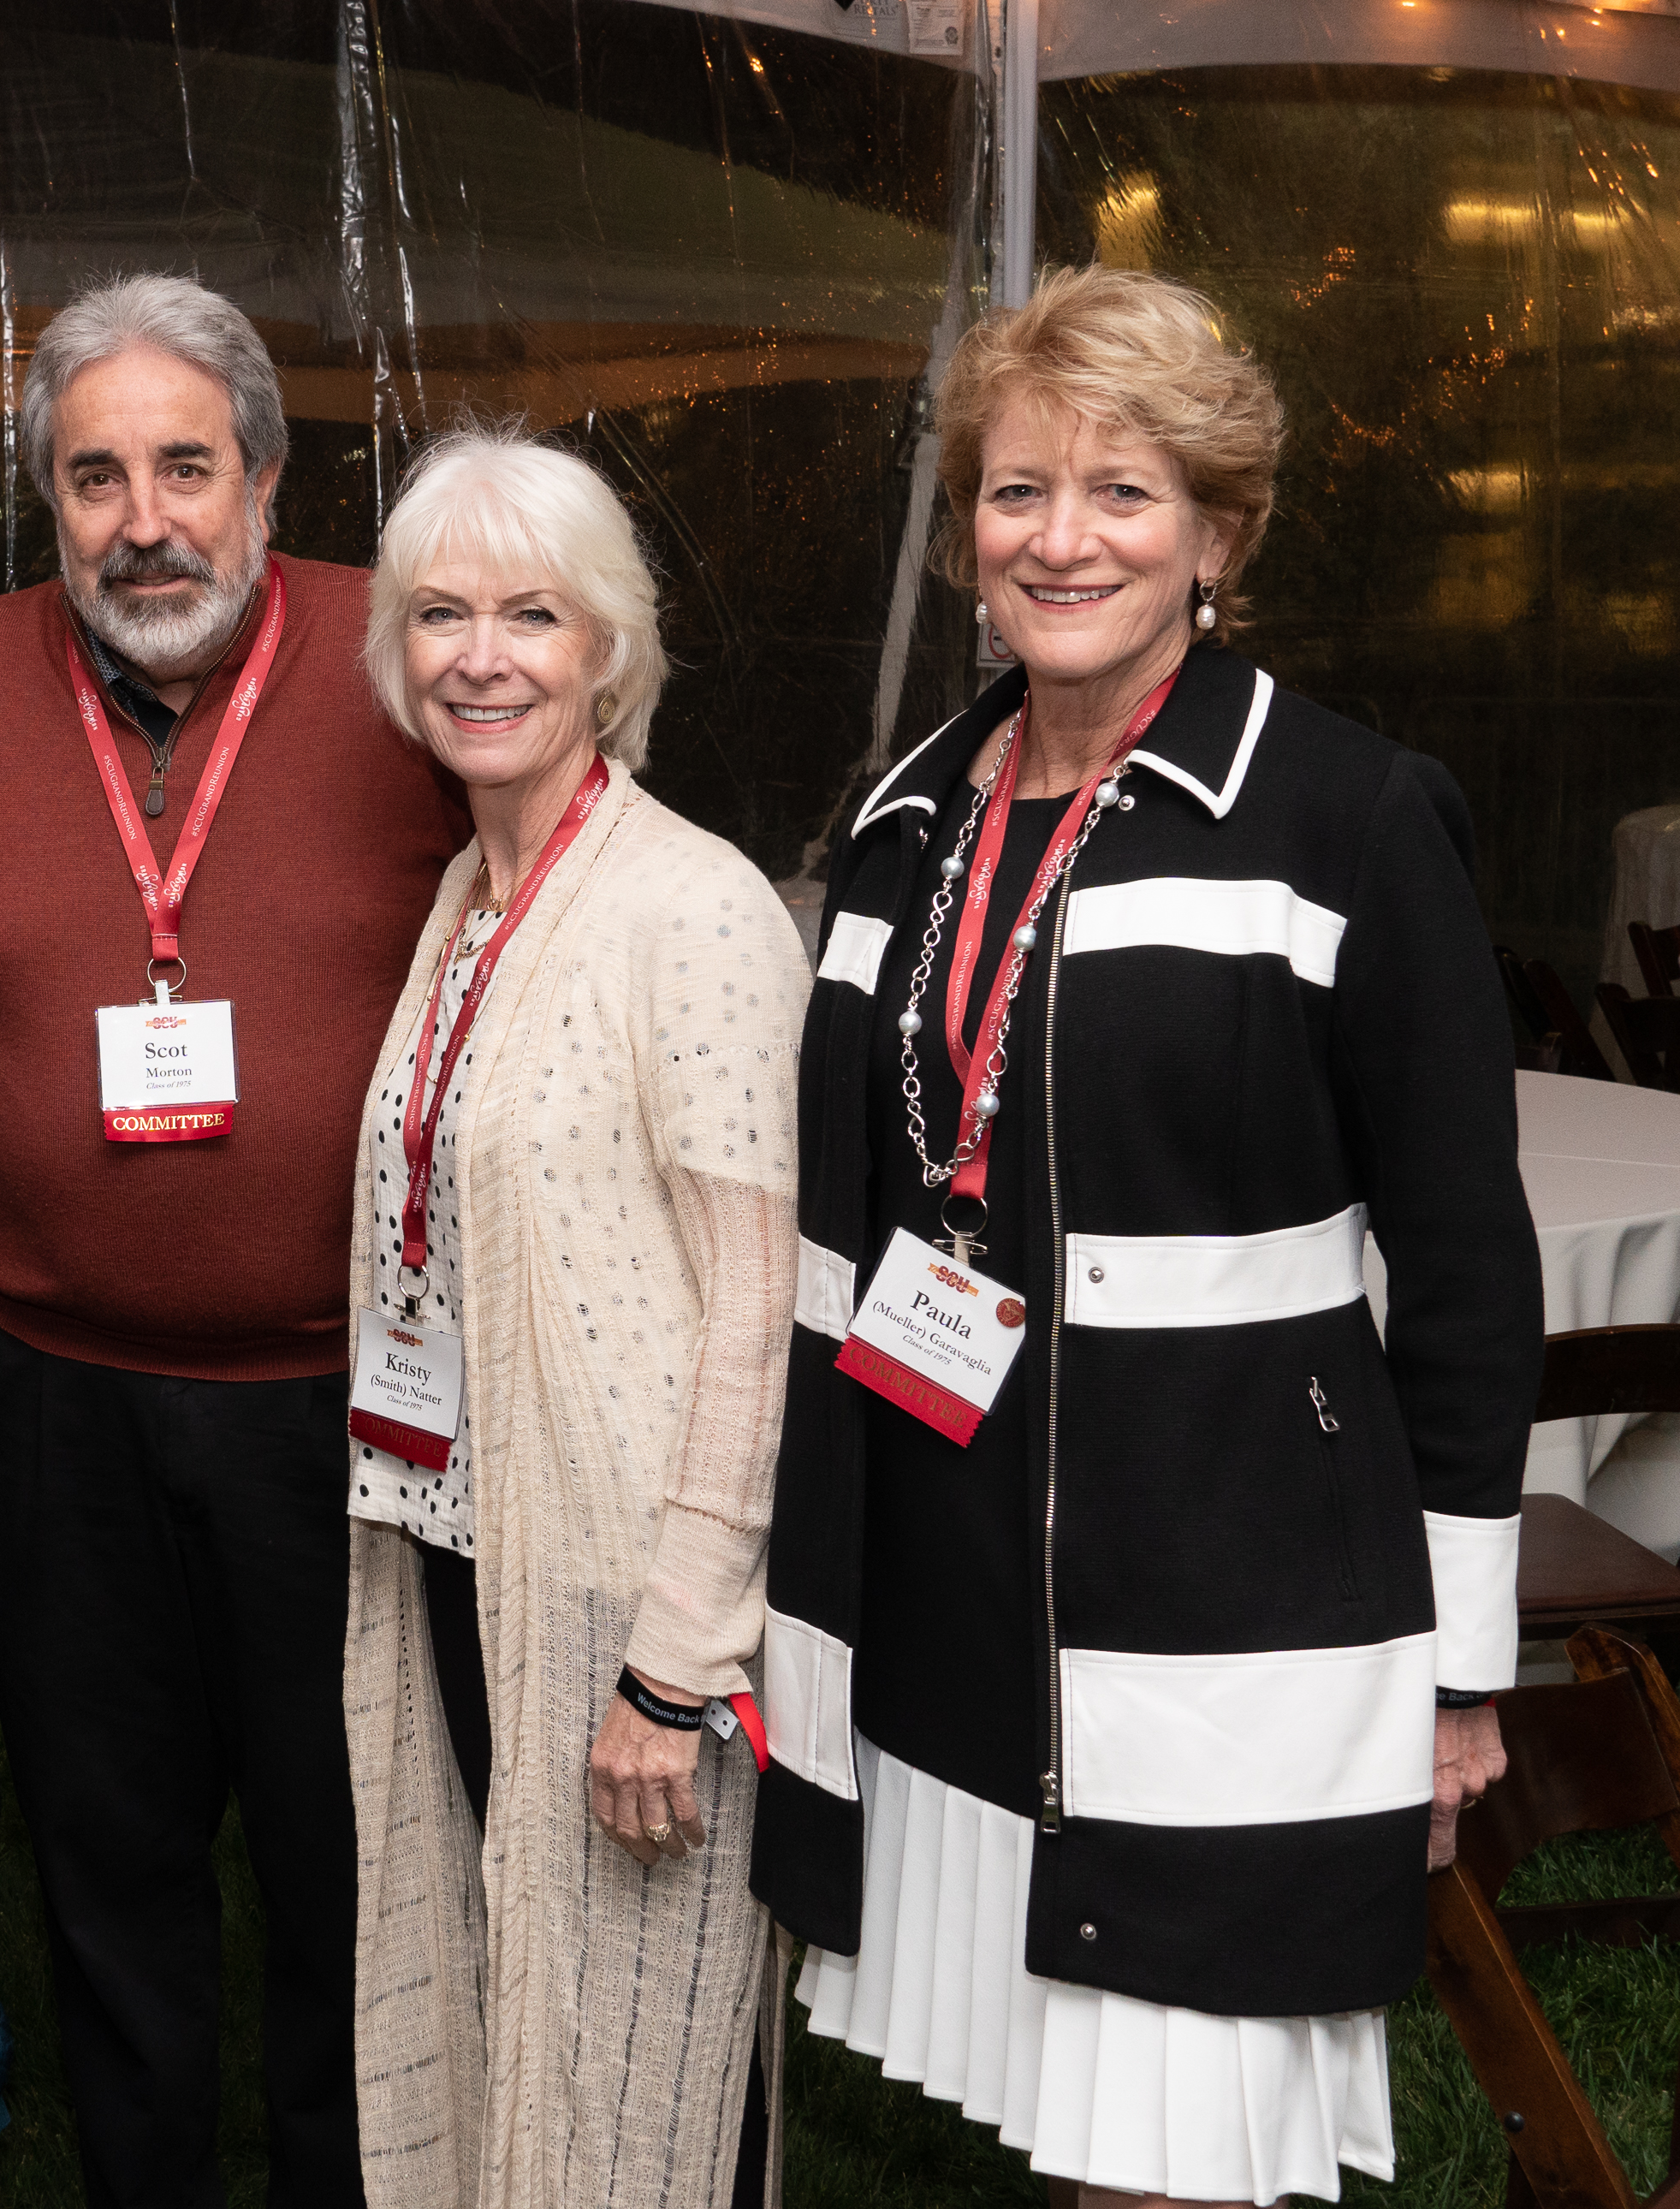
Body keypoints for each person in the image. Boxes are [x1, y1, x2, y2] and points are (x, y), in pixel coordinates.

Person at [753, 264, 1540, 2208]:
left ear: (1219, 532)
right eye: (1017, 492)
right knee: (1063, 2120)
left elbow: (1464, 1268)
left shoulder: (1347, 816)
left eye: (1123, 492)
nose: (1062, 538)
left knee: (1170, 2139)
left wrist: (1457, 1668)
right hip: (957, 1607)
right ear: (967, 537)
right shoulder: (909, 812)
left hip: (1237, 1620)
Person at [0, 271, 467, 2204]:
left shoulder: (408, 655)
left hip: (355, 1408)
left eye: (185, 463)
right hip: (54, 1401)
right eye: (93, 477)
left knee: (353, 1864)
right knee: (108, 1860)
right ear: (50, 505)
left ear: (263, 474)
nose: (142, 517)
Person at [337, 431, 809, 2207]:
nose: (482, 655)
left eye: (532, 614)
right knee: (512, 1996)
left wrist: (674, 1661)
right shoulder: (468, 897)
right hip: (470, 1547)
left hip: (629, 1598)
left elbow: (757, 1313)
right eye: (442, 613)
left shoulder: (688, 907)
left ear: (608, 648)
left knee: (644, 2060)